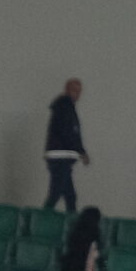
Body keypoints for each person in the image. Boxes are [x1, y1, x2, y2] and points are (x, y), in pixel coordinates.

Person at [44, 79, 87, 210]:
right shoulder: (65, 108)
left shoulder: (64, 107)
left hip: (62, 158)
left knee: (70, 196)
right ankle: (42, 219)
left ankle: (73, 225)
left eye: (79, 91)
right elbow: (70, 132)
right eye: (75, 91)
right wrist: (81, 151)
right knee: (56, 194)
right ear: (67, 90)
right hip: (61, 157)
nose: (78, 95)